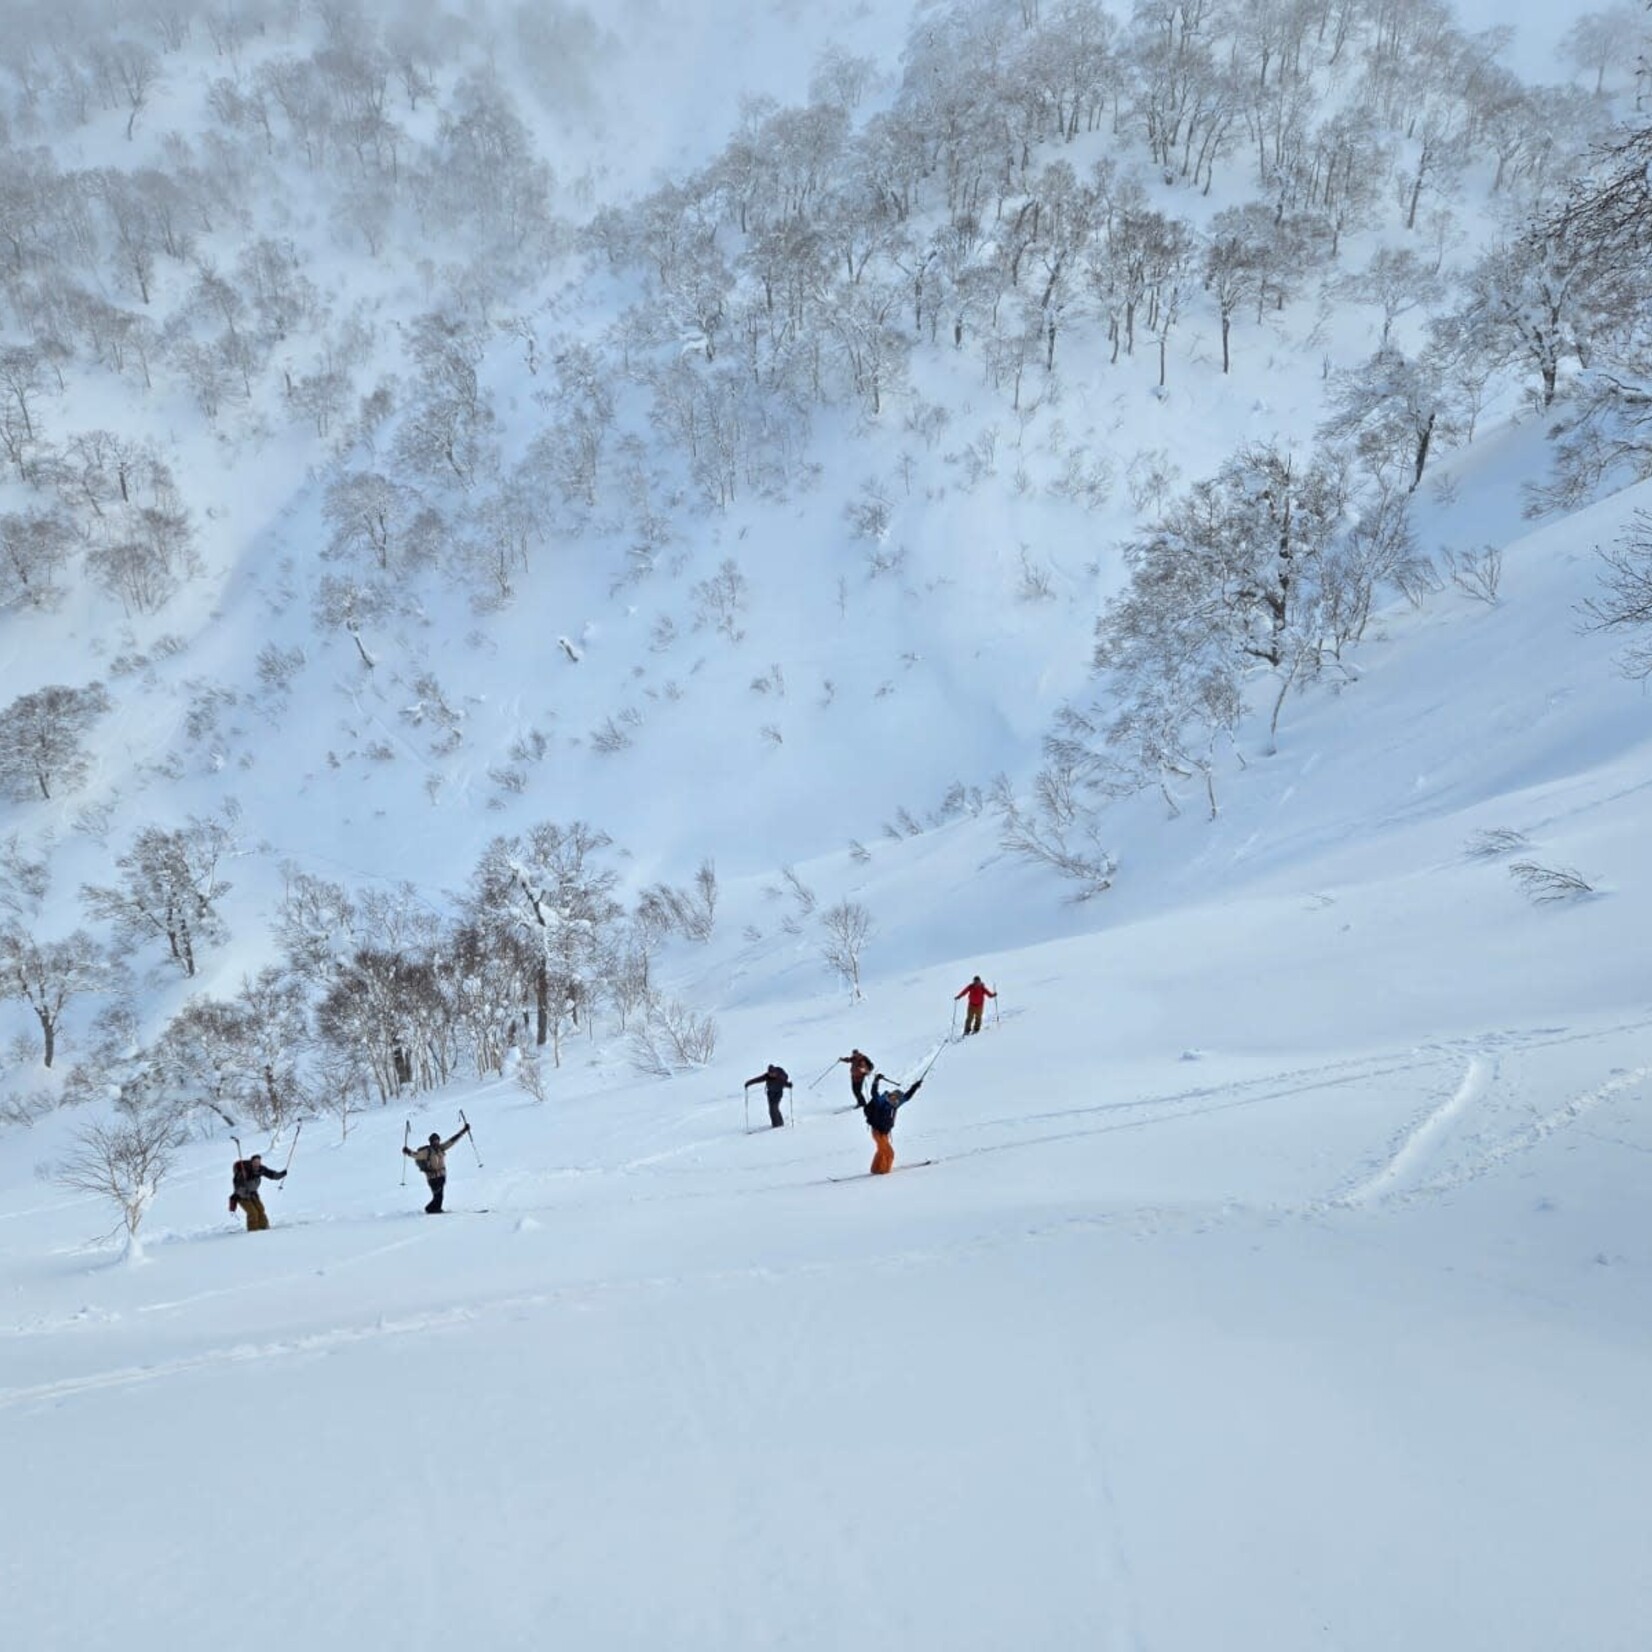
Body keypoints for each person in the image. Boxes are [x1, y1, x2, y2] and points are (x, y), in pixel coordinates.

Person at [863, 1071, 925, 1175]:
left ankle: (875, 1170)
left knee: (881, 1150)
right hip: (877, 1131)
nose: (896, 1100)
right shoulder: (881, 1102)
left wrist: (915, 1086)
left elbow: (907, 1097)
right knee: (889, 1153)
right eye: (894, 1097)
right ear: (891, 1095)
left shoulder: (895, 1104)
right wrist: (876, 1080)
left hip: (885, 1132)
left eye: (897, 1099)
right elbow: (874, 1093)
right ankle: (884, 1172)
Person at [403, 1124, 471, 1214]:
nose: (436, 1142)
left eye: (437, 1140)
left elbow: (451, 1141)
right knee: (438, 1196)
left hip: (441, 1177)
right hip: (432, 1178)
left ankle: (435, 1209)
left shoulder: (441, 1148)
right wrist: (408, 1152)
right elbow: (417, 1155)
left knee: (440, 1196)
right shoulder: (427, 1151)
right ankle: (431, 1209)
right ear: (431, 1142)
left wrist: (463, 1131)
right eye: (434, 1141)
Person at [229, 1152, 286, 1231]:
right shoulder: (244, 1172)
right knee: (253, 1213)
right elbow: (237, 1185)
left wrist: (281, 1174)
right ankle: (253, 1232)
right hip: (242, 1196)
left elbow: (271, 1174)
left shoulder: (260, 1169)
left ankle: (264, 1228)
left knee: (260, 1209)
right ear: (251, 1162)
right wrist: (245, 1183)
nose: (257, 1164)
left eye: (258, 1162)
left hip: (253, 1194)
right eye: (255, 1162)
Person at [744, 1064, 793, 1128]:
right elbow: (758, 1079)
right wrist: (748, 1083)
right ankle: (775, 1124)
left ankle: (779, 1124)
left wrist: (789, 1085)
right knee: (771, 1110)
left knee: (774, 1107)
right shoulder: (767, 1076)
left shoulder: (780, 1077)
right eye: (770, 1073)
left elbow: (785, 1083)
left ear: (775, 1072)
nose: (771, 1075)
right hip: (770, 1093)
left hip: (778, 1093)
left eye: (773, 1073)